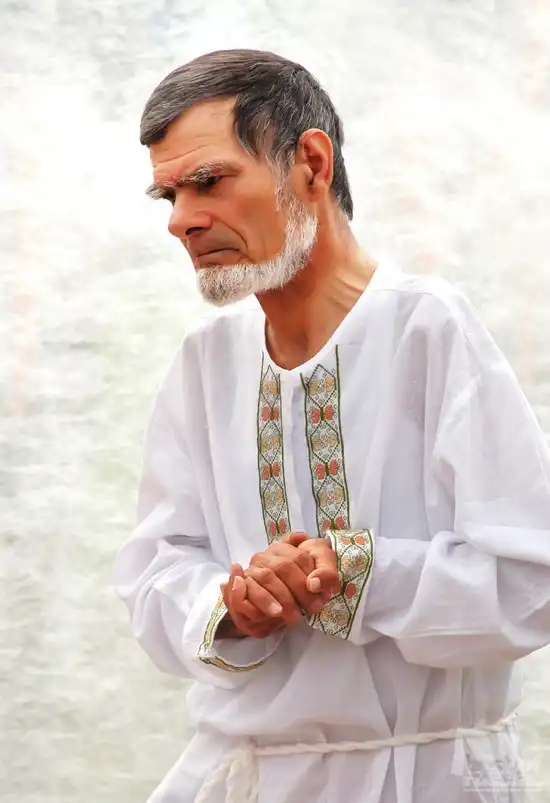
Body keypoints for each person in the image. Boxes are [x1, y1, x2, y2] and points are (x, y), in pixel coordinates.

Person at [113, 49, 550, 803]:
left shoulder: (425, 328)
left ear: (311, 164)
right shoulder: (206, 360)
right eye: (169, 195)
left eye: (210, 181)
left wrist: (353, 571)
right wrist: (234, 606)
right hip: (242, 776)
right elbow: (155, 574)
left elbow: (529, 579)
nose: (183, 220)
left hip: (422, 777)